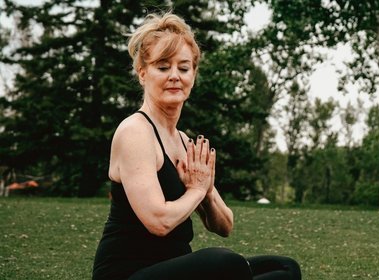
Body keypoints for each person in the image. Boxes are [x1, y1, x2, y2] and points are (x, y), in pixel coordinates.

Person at [92, 11, 301, 280]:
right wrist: (196, 190)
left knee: (285, 269)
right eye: (163, 67)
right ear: (143, 73)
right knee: (226, 263)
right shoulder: (135, 131)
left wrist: (208, 190)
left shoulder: (184, 142)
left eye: (183, 67)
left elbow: (225, 226)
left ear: (193, 74)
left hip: (173, 267)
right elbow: (159, 221)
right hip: (128, 273)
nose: (175, 76)